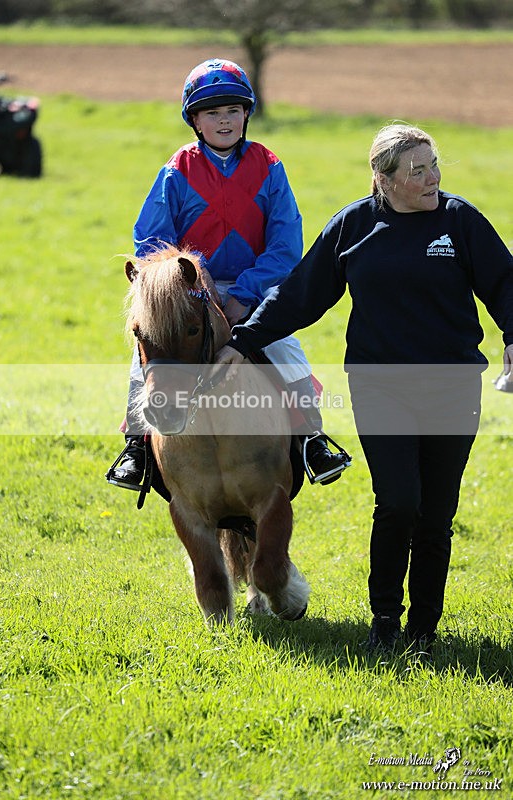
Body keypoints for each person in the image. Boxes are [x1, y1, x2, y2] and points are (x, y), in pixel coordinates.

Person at [215, 122, 513, 653]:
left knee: (437, 513)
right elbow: (301, 296)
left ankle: (423, 629)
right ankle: (384, 621)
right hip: (381, 386)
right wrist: (243, 340)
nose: (432, 179)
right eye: (417, 171)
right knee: (398, 501)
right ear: (384, 178)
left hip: (453, 386)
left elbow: (505, 283)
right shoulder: (354, 227)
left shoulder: (460, 221)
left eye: (434, 166)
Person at [107, 58, 346, 492]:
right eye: (213, 112)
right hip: (191, 292)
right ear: (195, 120)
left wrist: (246, 295)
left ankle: (312, 439)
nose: (224, 120)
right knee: (147, 357)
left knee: (287, 351)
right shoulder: (176, 171)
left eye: (233, 111)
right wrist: (188, 289)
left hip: (255, 291)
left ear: (246, 115)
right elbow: (151, 241)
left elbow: (286, 244)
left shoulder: (269, 166)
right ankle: (137, 447)